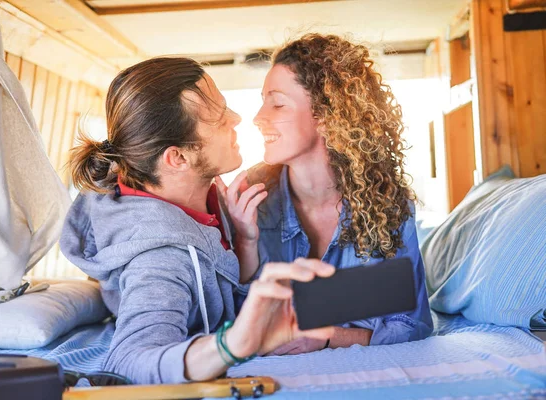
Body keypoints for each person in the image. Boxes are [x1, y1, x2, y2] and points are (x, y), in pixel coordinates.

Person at [60, 57, 335, 385]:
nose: (237, 118)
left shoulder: (201, 189)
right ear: (177, 158)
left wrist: (245, 240)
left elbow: (220, 280)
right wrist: (230, 345)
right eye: (219, 118)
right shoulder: (159, 260)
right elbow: (127, 361)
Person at [217, 33, 433, 356]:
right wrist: (246, 243)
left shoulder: (387, 206)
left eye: (277, 103)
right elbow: (232, 328)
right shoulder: (253, 205)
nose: (259, 117)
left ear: (328, 115)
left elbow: (410, 325)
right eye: (264, 101)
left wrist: (328, 336)